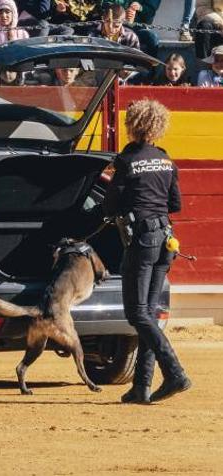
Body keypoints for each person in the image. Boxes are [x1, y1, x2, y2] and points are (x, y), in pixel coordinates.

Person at [103, 99, 191, 405]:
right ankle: (141, 387)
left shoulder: (126, 161)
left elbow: (111, 205)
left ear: (133, 125)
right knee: (149, 313)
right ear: (158, 126)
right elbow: (175, 205)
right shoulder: (166, 160)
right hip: (166, 238)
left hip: (142, 240)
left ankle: (175, 371)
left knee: (137, 312)